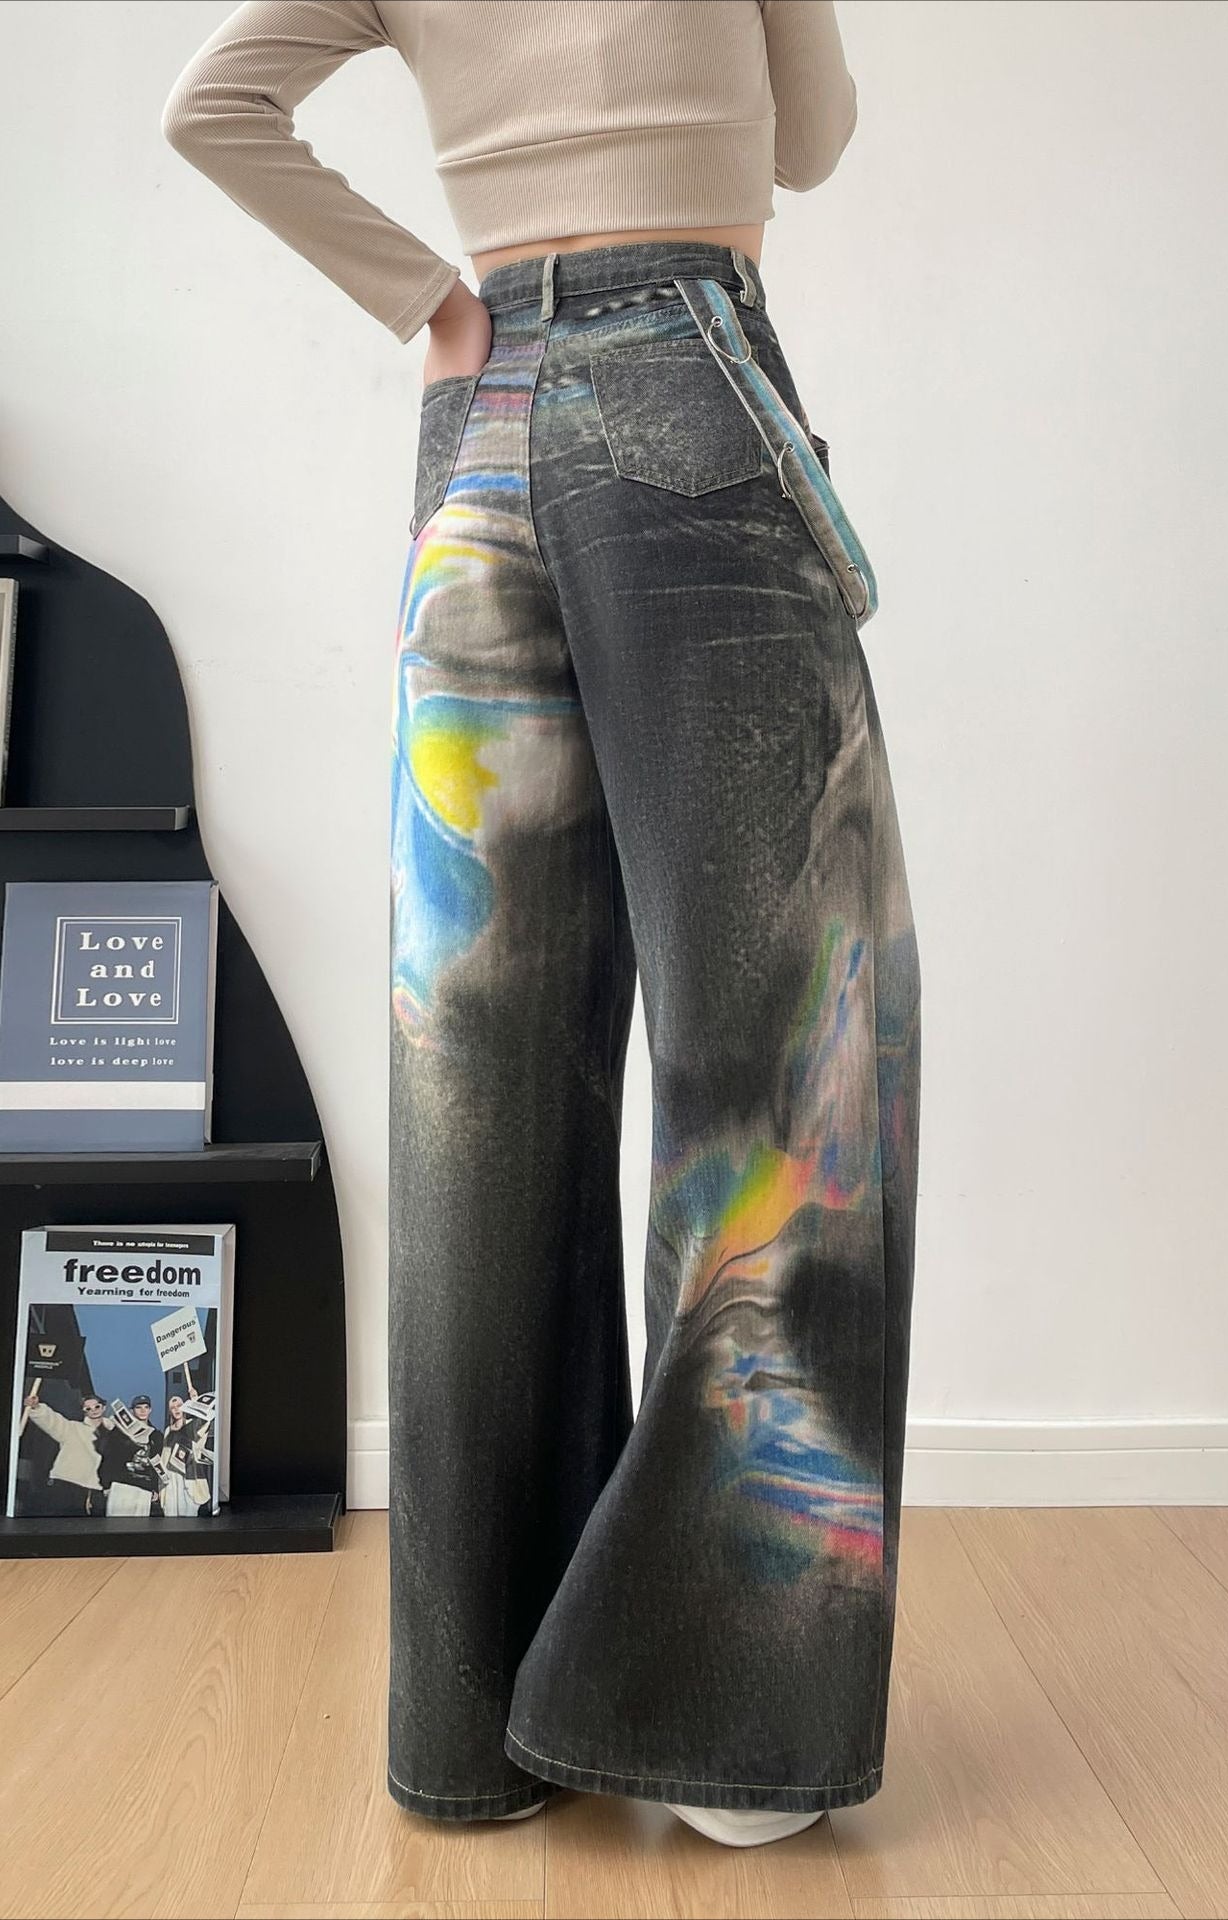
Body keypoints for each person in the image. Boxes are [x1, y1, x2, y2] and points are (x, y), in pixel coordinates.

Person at [161, 0, 922, 1850]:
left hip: (474, 443)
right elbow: (811, 140)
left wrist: (436, 300)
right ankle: (711, 1713)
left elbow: (215, 105)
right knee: (793, 1067)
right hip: (685, 389)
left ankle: (479, 1724)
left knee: (480, 1087)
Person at [20, 1389, 110, 1517]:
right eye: (88, 1408)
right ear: (84, 1411)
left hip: (94, 1490)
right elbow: (52, 1421)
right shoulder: (73, 1428)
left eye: (97, 1406)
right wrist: (36, 1407)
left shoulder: (114, 1433)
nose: (93, 1410)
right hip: (66, 1484)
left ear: (103, 1407)